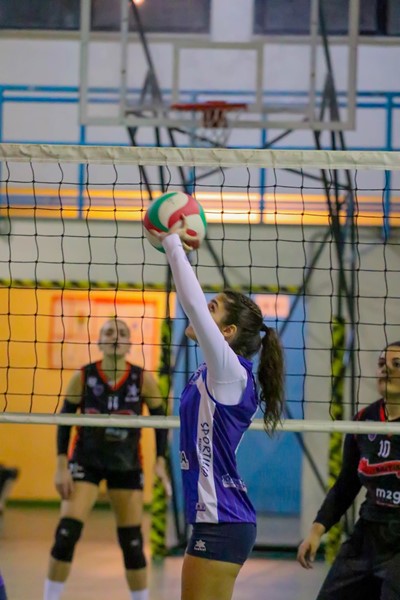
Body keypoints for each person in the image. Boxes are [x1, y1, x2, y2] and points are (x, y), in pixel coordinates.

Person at [156, 219, 285, 600]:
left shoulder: (230, 373)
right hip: (217, 519)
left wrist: (171, 243)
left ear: (227, 332)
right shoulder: (215, 374)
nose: (202, 310)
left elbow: (193, 305)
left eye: (213, 308)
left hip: (222, 521)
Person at [43, 317, 170, 600]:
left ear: (129, 343)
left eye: (122, 332)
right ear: (99, 341)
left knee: (132, 543)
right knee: (66, 535)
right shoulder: (83, 376)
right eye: (109, 332)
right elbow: (64, 420)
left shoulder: (143, 379)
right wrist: (61, 464)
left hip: (126, 465)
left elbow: (162, 423)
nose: (115, 336)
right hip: (85, 462)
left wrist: (160, 460)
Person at [297, 341, 400, 599]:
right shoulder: (364, 421)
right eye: (381, 364)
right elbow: (346, 485)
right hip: (367, 536)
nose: (386, 369)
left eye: (396, 364)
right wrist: (315, 532)